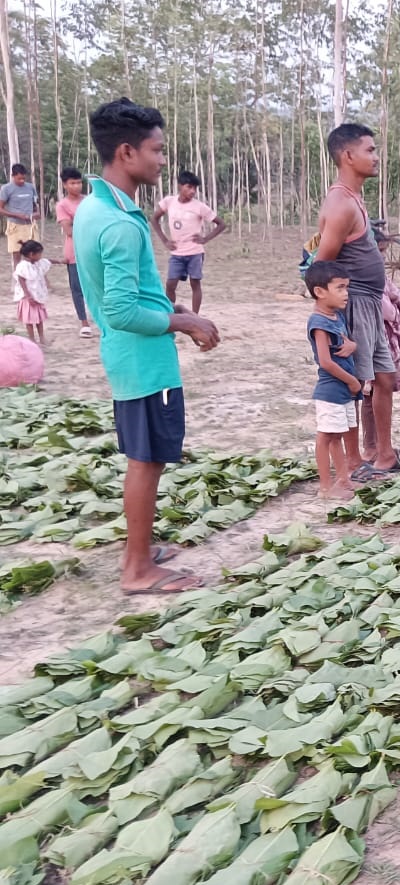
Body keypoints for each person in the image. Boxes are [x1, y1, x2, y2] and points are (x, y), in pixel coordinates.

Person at [73, 97, 220, 594]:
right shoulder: (117, 223)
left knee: (145, 456)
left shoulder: (98, 207)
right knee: (147, 459)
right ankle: (137, 569)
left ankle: (139, 548)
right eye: (156, 150)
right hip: (141, 360)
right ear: (126, 152)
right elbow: (117, 310)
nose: (162, 160)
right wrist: (184, 320)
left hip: (129, 357)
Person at [315, 122, 400, 484]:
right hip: (355, 306)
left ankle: (384, 453)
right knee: (355, 382)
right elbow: (321, 264)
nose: (376, 156)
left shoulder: (353, 199)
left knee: (385, 377)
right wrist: (330, 316)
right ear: (348, 156)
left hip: (369, 303)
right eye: (370, 150)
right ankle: (350, 461)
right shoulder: (340, 204)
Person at [304, 259, 361, 498]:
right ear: (319, 292)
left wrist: (352, 346)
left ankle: (343, 479)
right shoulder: (319, 323)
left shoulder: (336, 317)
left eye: (346, 287)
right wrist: (351, 381)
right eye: (339, 287)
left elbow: (345, 345)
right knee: (326, 436)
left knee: (338, 435)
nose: (345, 293)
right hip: (331, 390)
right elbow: (326, 362)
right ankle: (326, 486)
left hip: (343, 390)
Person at [150, 171, 225, 314]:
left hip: (194, 252)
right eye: (189, 187)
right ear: (180, 186)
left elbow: (221, 224)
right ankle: (171, 314)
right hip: (177, 252)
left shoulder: (199, 206)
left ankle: (195, 316)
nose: (192, 191)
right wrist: (165, 240)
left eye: (195, 188)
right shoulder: (169, 202)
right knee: (170, 285)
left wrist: (205, 239)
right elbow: (154, 219)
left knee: (195, 283)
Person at [55, 167, 93, 338]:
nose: (77, 186)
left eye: (79, 182)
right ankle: (84, 322)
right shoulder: (62, 205)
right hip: (74, 252)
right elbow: (68, 230)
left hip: (93, 250)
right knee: (77, 289)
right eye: (72, 183)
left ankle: (103, 319)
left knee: (96, 286)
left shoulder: (90, 201)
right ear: (65, 185)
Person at [13, 240, 54, 344]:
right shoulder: (23, 266)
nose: (41, 256)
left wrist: (61, 261)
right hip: (28, 298)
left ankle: (41, 337)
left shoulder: (37, 263)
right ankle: (32, 339)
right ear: (31, 254)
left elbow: (48, 261)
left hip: (38, 296)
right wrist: (28, 295)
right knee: (29, 321)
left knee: (39, 319)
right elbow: (21, 279)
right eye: (39, 253)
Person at [0, 164, 39, 269]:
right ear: (13, 176)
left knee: (34, 253)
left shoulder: (30, 187)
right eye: (19, 178)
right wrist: (16, 215)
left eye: (23, 178)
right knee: (17, 254)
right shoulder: (6, 189)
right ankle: (18, 279)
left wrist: (36, 213)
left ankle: (33, 277)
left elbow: (35, 204)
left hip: (30, 225)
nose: (22, 180)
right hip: (15, 226)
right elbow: (1, 208)